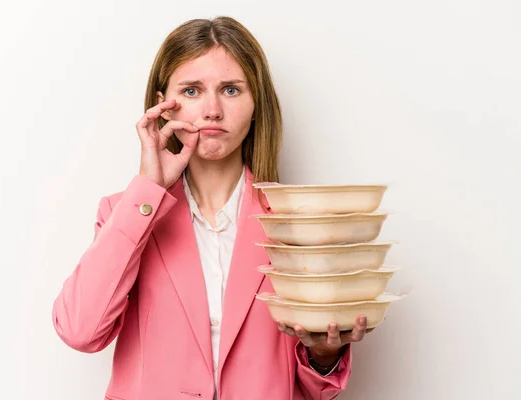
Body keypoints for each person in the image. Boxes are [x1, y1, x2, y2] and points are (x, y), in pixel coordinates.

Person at [52, 16, 372, 400]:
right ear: (163, 108)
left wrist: (325, 354)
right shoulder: (125, 213)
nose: (212, 110)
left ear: (257, 105)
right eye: (191, 91)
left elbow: (313, 390)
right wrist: (148, 191)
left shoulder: (295, 223)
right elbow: (80, 331)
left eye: (231, 90)